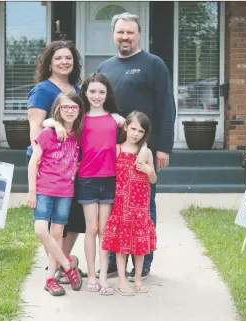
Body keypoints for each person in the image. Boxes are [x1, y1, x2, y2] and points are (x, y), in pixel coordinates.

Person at [97, 12, 176, 281]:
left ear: (139, 34)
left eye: (130, 32)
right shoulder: (105, 68)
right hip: (113, 152)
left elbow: (167, 106)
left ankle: (144, 262)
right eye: (120, 32)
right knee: (114, 205)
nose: (125, 37)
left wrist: (163, 147)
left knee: (143, 207)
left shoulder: (153, 64)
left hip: (144, 150)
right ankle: (112, 261)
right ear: (113, 34)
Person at [43, 72, 130, 295]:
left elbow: (139, 131)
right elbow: (48, 120)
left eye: (101, 91)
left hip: (110, 180)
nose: (97, 96)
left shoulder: (116, 119)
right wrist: (56, 124)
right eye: (92, 91)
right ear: (85, 93)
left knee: (104, 230)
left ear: (107, 93)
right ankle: (90, 275)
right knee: (91, 229)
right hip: (87, 180)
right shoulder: (80, 120)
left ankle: (103, 277)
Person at [26, 40, 86, 279]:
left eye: (68, 58)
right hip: (47, 166)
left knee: (70, 220)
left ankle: (60, 264)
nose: (64, 62)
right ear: (49, 62)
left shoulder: (77, 90)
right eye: (59, 58)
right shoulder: (43, 90)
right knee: (48, 222)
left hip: (72, 167)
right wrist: (51, 125)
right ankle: (62, 265)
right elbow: (35, 129)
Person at [102, 111, 157, 296]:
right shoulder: (116, 149)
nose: (135, 134)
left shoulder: (147, 152)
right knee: (121, 245)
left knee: (140, 245)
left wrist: (149, 170)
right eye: (133, 129)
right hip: (122, 204)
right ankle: (122, 280)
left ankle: (139, 278)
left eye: (141, 131)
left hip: (141, 205)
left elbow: (153, 180)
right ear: (125, 127)